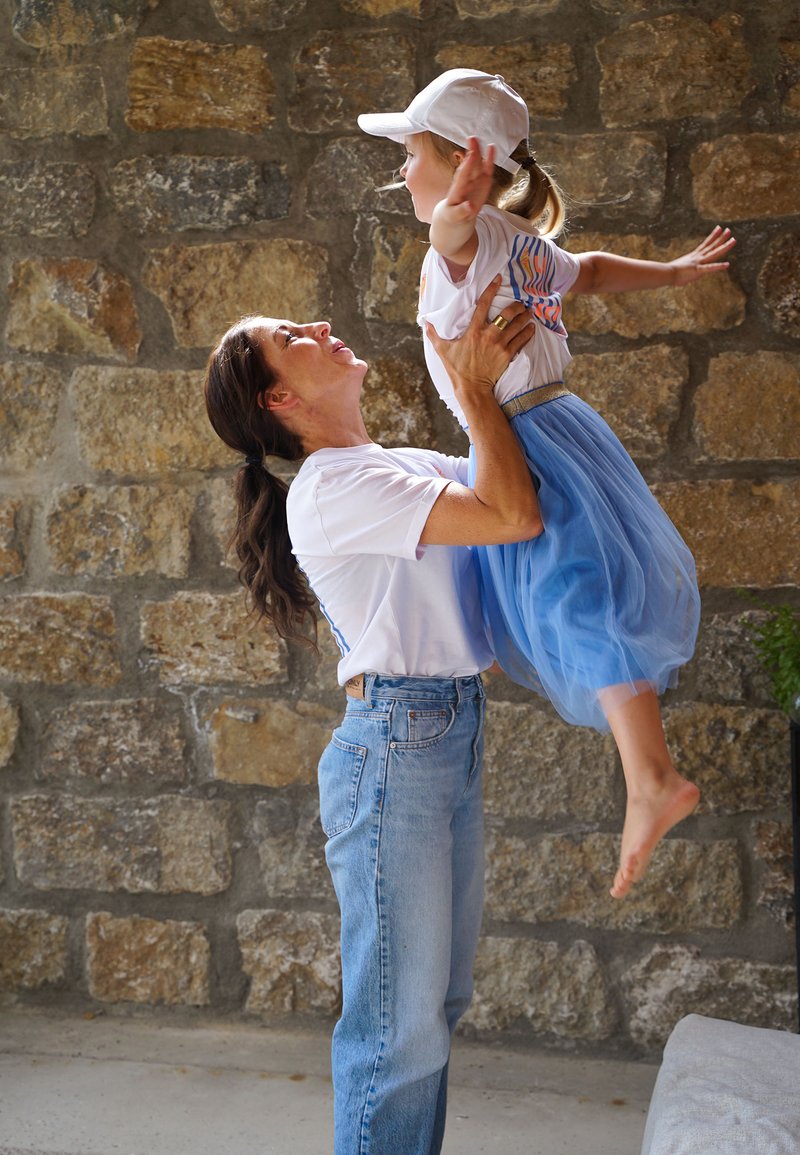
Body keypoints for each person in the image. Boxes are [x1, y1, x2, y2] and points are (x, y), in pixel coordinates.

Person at [358, 68, 737, 900]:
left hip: (526, 431)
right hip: (563, 423)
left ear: (465, 165)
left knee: (569, 591)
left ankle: (651, 777)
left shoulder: (461, 239)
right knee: (573, 587)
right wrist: (671, 274)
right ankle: (648, 771)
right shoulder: (515, 238)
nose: (403, 174)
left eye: (412, 156)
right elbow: (591, 270)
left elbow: (455, 229)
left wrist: (454, 208)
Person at [204, 280, 538, 1155]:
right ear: (280, 398)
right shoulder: (331, 489)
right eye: (291, 335)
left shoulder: (391, 467)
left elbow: (506, 488)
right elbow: (512, 512)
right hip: (398, 748)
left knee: (433, 1010)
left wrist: (494, 381)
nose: (319, 323)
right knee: (399, 1029)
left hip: (442, 733)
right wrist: (471, 390)